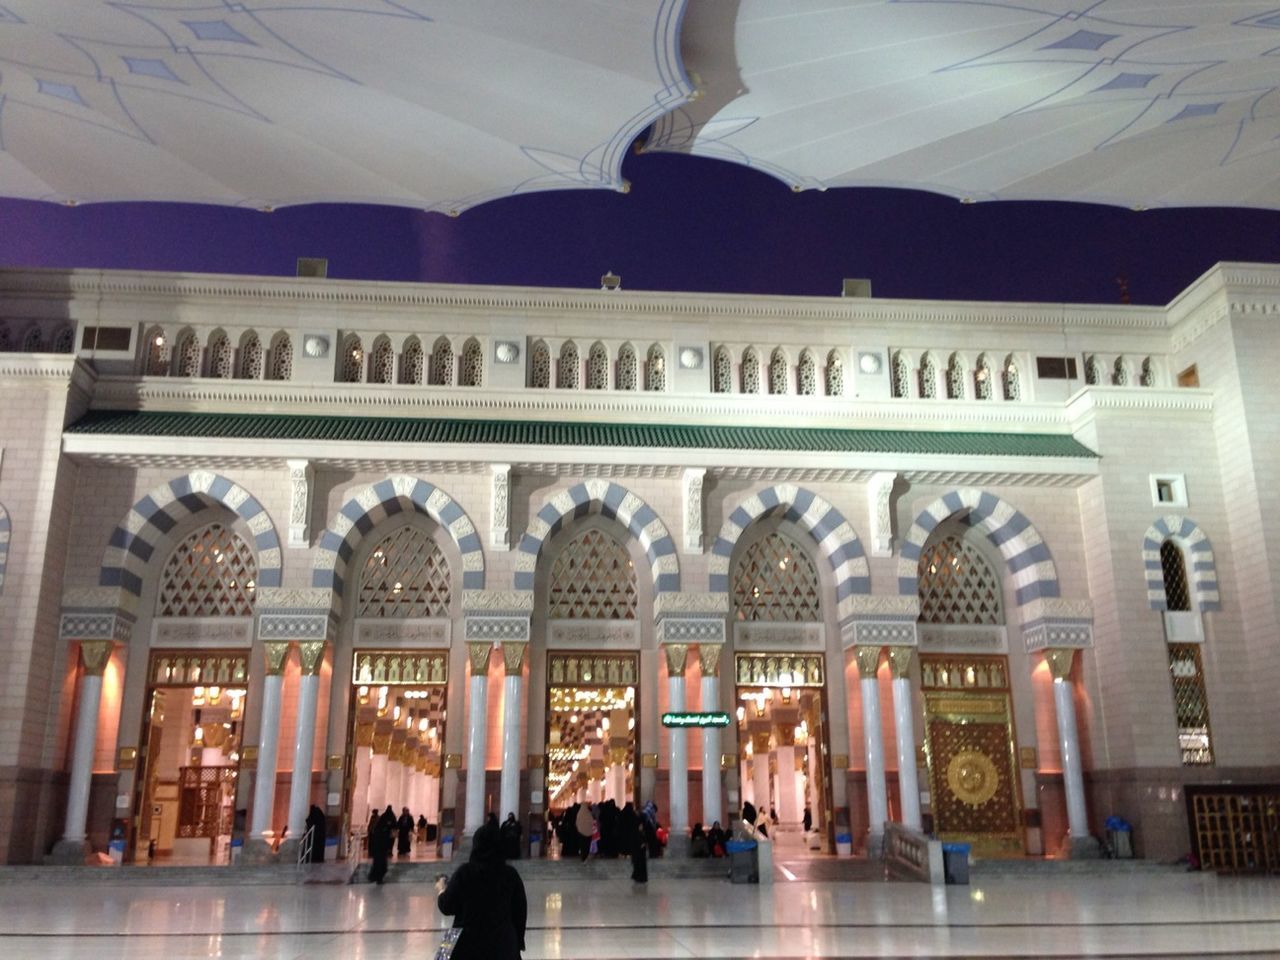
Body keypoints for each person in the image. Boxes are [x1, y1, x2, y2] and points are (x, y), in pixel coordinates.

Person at [436, 821, 527, 959]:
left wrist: (442, 889)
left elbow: (447, 906)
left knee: (442, 954)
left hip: (465, 943)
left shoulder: (465, 873)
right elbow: (520, 912)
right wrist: (516, 941)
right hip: (502, 944)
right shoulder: (510, 875)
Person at [369, 806, 396, 884]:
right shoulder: (383, 822)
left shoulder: (383, 818)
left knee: (380, 864)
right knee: (380, 864)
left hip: (381, 847)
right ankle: (377, 878)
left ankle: (376, 878)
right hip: (381, 847)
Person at [630, 819, 648, 883]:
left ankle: (641, 878)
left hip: (641, 854)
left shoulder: (641, 833)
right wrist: (641, 845)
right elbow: (634, 843)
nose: (642, 827)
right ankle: (638, 878)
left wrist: (644, 844)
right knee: (638, 866)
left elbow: (645, 840)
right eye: (640, 826)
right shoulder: (635, 834)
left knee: (641, 866)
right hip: (637, 854)